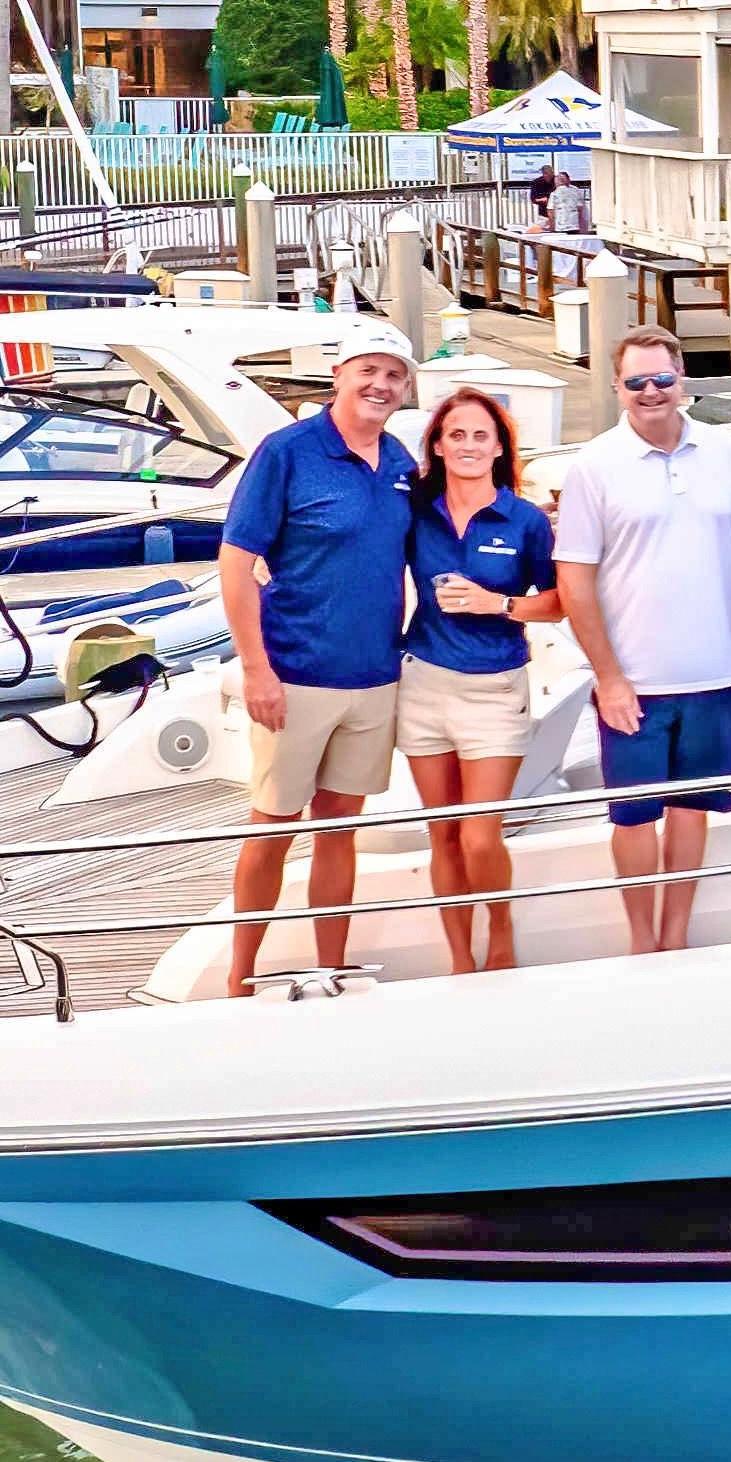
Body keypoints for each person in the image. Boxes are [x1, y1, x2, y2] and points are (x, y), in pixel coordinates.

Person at [555, 325, 731, 952]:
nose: (651, 391)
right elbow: (574, 582)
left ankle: (674, 938)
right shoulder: (594, 466)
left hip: (715, 675)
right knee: (633, 817)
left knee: (691, 812)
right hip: (635, 684)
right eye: (636, 382)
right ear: (616, 386)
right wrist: (608, 677)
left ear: (682, 380)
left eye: (662, 379)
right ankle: (640, 941)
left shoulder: (728, 450)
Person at [213, 333, 418, 994]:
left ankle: (332, 969)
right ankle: (238, 977)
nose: (380, 385)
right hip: (294, 676)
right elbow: (236, 565)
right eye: (368, 371)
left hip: (373, 678)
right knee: (272, 829)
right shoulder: (287, 452)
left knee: (339, 831)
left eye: (394, 374)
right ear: (338, 374)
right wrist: (255, 669)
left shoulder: (399, 461)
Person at [398, 384, 557, 973]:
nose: (467, 445)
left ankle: (502, 933)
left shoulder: (525, 520)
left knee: (480, 836)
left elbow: (560, 601)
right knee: (443, 836)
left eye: (479, 436)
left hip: (494, 687)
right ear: (437, 446)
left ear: (498, 448)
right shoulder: (417, 512)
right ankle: (461, 960)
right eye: (455, 434)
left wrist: (499, 605)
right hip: (422, 684)